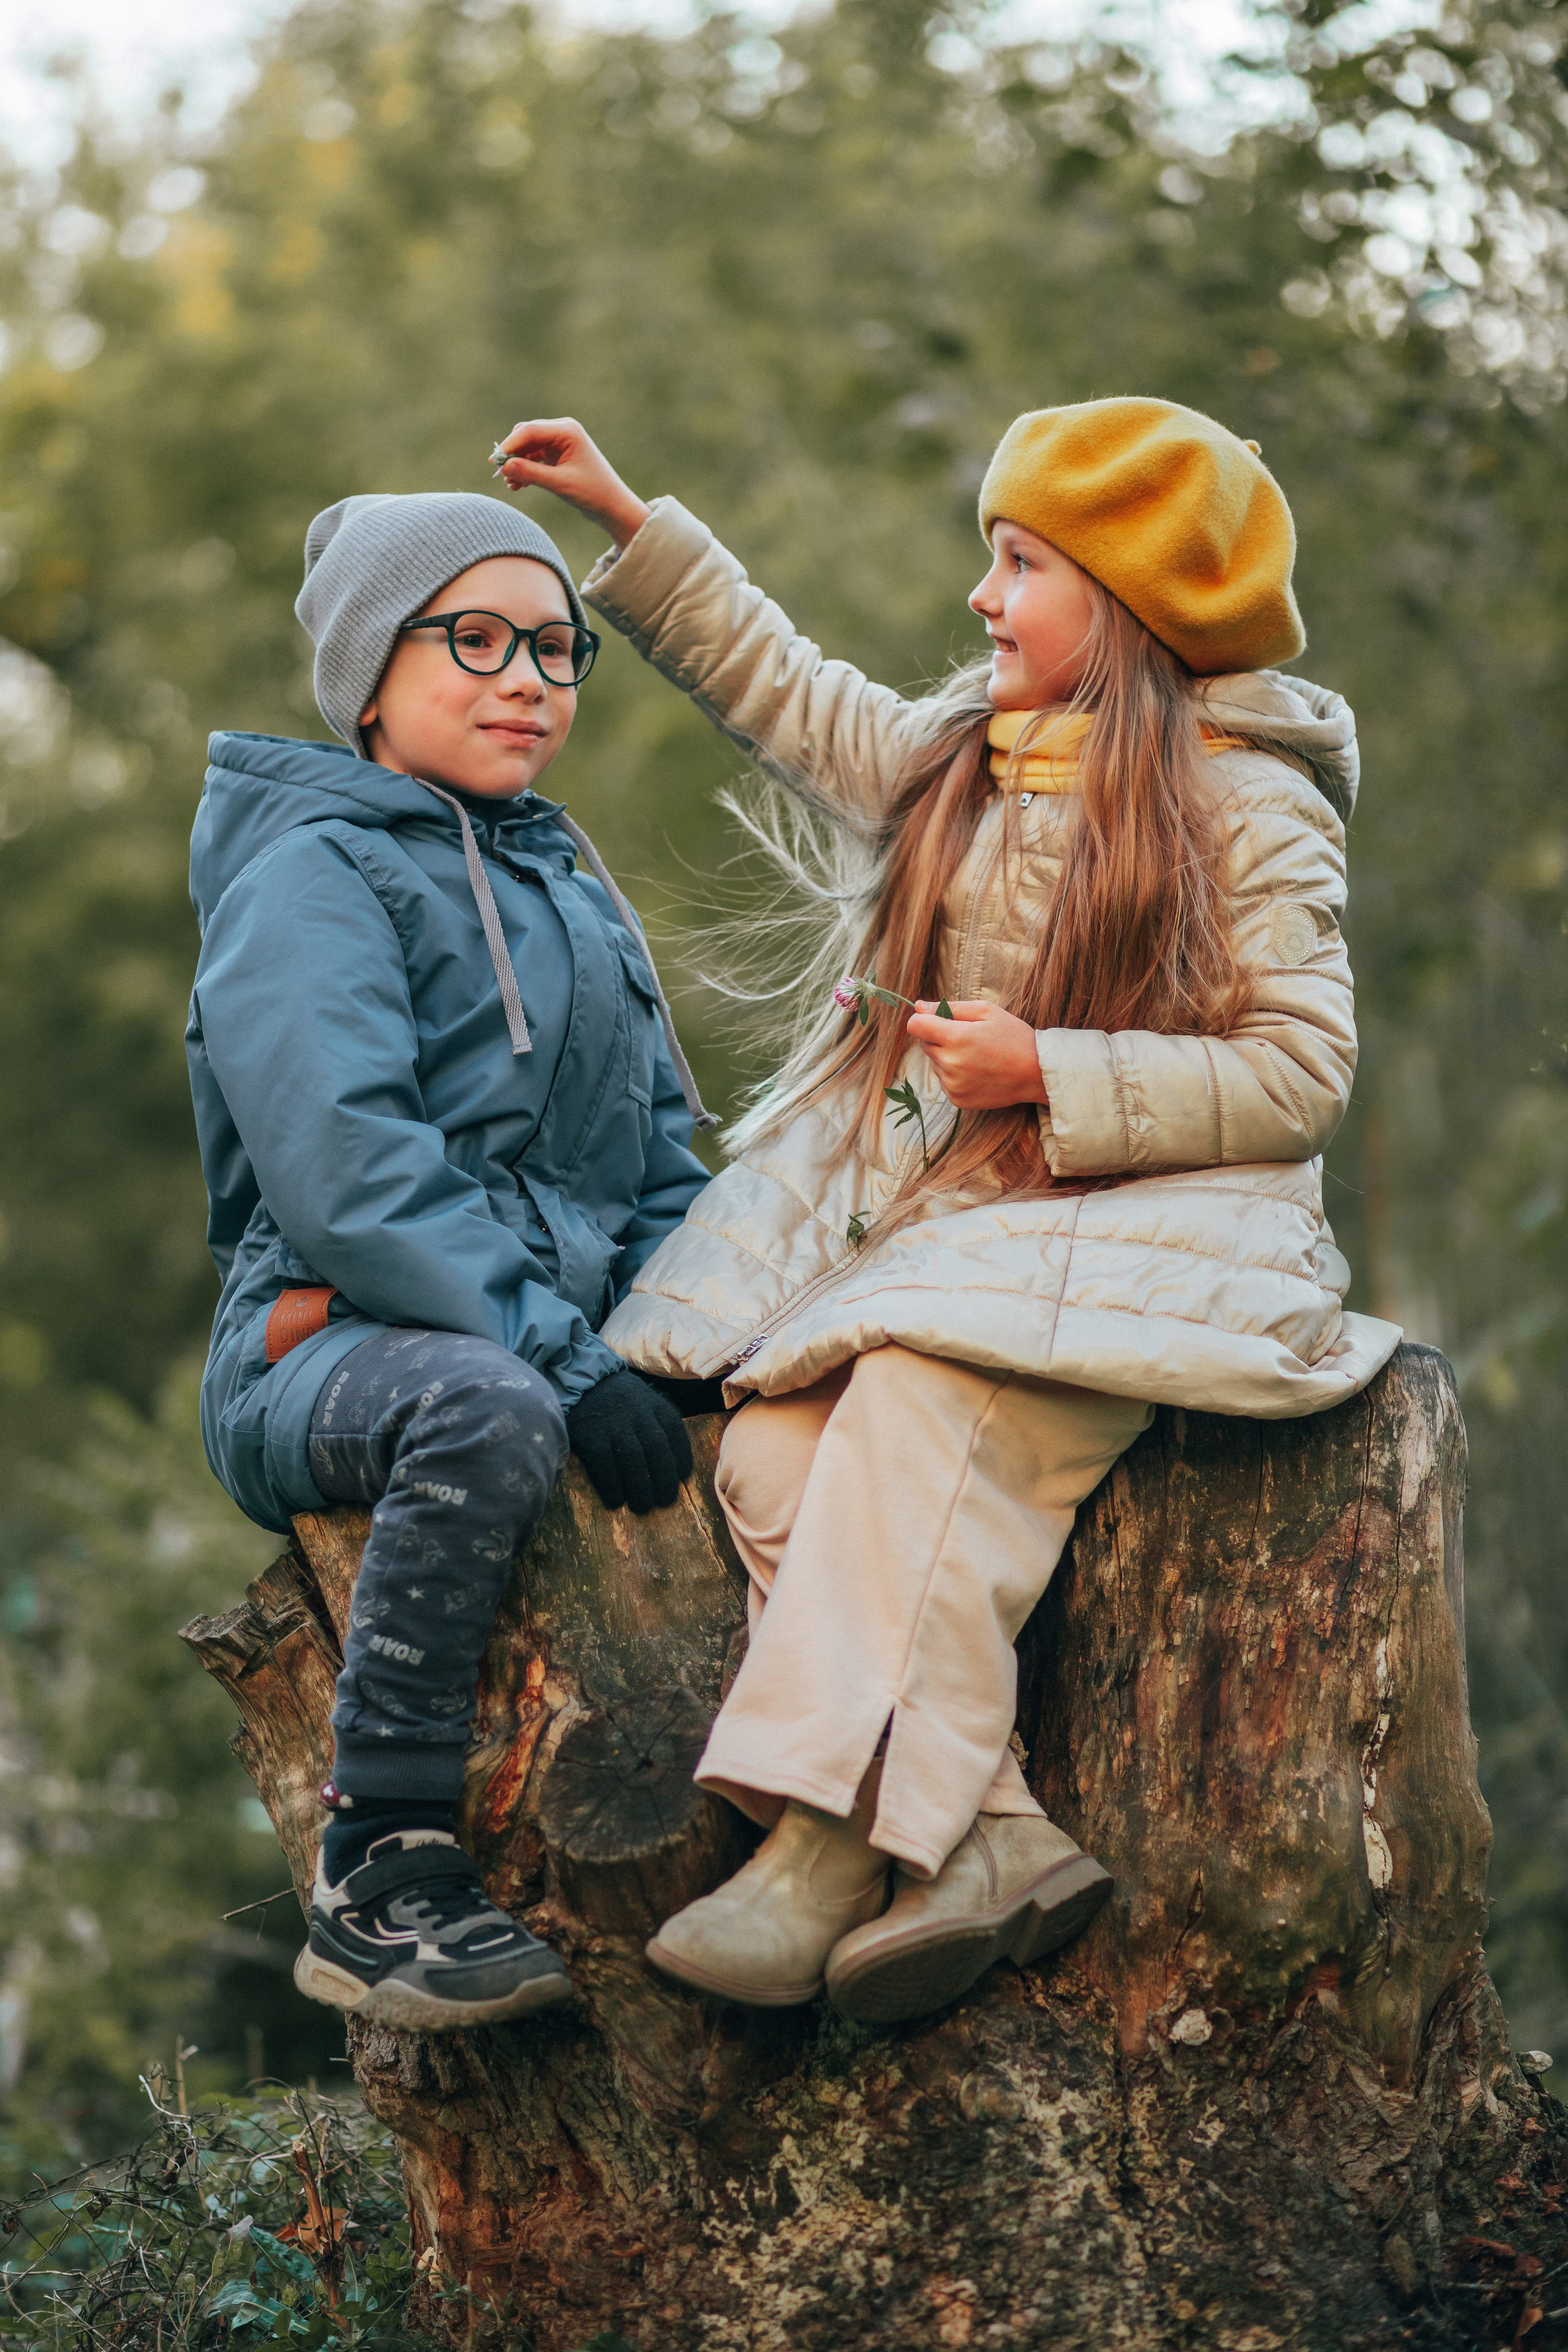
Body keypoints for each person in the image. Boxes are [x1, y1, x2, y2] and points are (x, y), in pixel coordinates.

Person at [493, 399, 1401, 2024]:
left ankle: (823, 1846)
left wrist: (1047, 1069)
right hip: (977, 1240)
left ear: (1125, 602)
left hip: (1158, 1246)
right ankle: (986, 1836)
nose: (984, 597)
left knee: (912, 1404)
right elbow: (789, 694)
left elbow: (1300, 1072)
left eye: (1022, 562)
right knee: (769, 1451)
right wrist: (634, 531)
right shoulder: (964, 760)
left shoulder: (1253, 805)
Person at [187, 491, 716, 2031]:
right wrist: (567, 1357)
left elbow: (660, 1162)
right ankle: (381, 1870)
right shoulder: (308, 876)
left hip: (548, 1336)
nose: (526, 677)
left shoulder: (564, 880)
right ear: (369, 676)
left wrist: (708, 1330)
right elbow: (353, 1177)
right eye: (473, 639)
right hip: (326, 1344)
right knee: (482, 1405)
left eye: (556, 648)